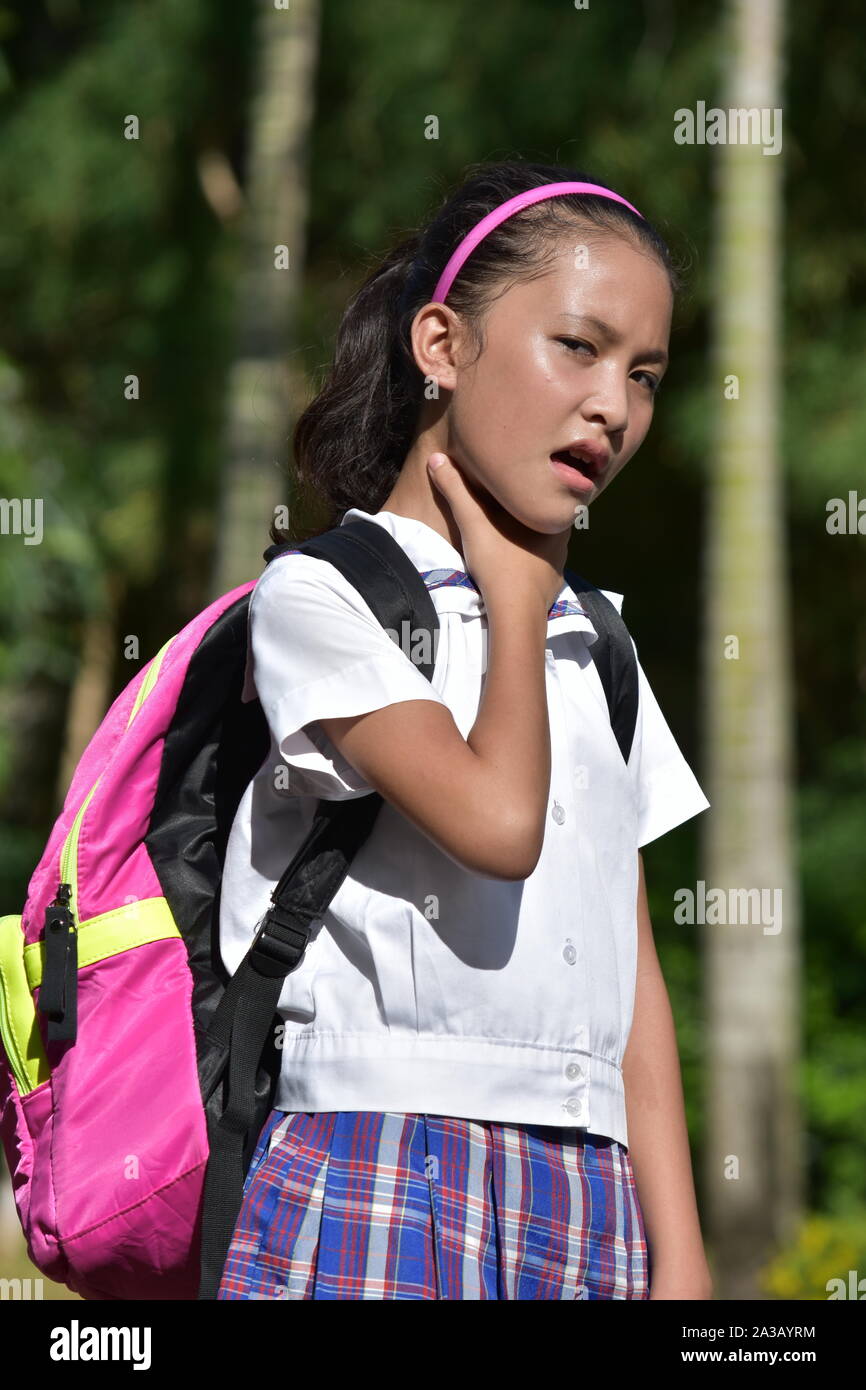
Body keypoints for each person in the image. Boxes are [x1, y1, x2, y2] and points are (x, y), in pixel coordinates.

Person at [216, 159, 713, 1301]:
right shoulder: (320, 597)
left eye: (644, 375)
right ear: (440, 346)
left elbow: (627, 975)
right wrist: (512, 595)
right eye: (577, 347)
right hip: (378, 1161)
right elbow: (497, 824)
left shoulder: (598, 644)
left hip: (592, 1202)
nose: (613, 407)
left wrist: (681, 1261)